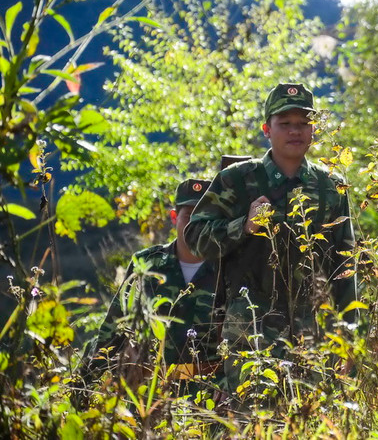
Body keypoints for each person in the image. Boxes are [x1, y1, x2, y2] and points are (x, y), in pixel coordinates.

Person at [184, 83, 358, 394]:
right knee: (254, 421)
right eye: (285, 124)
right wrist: (243, 226)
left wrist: (350, 331)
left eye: (304, 123)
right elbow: (195, 237)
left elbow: (345, 264)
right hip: (251, 328)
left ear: (314, 128)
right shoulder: (237, 179)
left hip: (312, 329)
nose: (295, 131)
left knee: (309, 422)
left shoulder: (330, 186)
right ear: (267, 129)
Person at [82, 178, 223, 394]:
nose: (197, 226)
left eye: (205, 217)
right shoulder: (146, 263)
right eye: (189, 217)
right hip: (150, 396)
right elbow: (115, 328)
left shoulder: (227, 266)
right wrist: (82, 386)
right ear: (174, 218)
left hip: (207, 397)